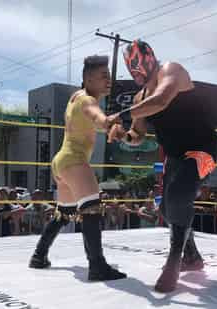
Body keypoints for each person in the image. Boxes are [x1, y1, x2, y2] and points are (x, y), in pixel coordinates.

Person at [108, 39, 217, 292]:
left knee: (179, 196)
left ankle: (174, 262)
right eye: (130, 66)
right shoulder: (139, 96)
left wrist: (122, 114)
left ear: (148, 59)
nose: (134, 70)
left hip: (203, 151)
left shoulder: (172, 70)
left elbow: (161, 100)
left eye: (136, 63)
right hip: (175, 157)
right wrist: (121, 134)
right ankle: (192, 257)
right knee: (167, 210)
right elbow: (138, 136)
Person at [29, 55, 126, 282]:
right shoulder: (88, 101)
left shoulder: (76, 97)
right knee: (92, 209)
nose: (108, 80)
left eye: (109, 75)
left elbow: (93, 119)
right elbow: (99, 119)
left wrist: (110, 125)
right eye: (103, 76)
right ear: (88, 78)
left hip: (61, 162)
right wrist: (112, 124)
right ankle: (97, 266)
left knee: (64, 214)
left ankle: (38, 256)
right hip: (74, 160)